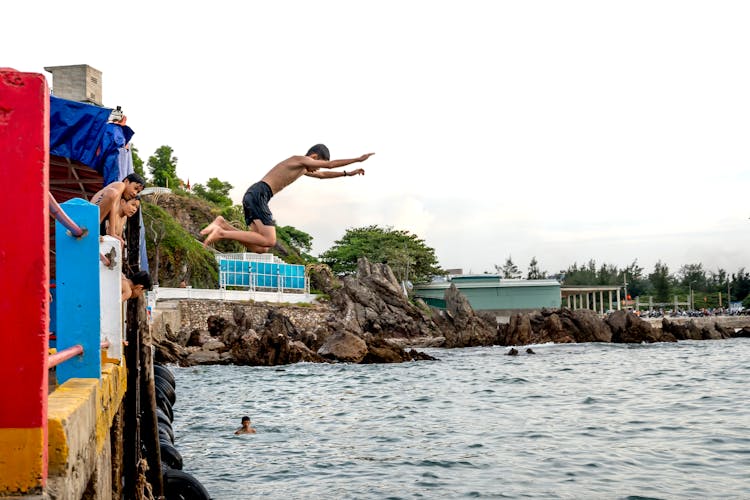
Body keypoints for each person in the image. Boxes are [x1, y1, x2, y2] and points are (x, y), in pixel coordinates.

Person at [201, 144, 374, 252]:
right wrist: (358, 159)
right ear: (314, 157)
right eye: (317, 164)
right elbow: (328, 165)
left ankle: (222, 224)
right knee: (270, 240)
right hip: (260, 193)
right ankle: (222, 233)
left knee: (260, 248)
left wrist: (347, 174)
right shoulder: (298, 160)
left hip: (255, 195)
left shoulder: (303, 169)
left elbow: (323, 174)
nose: (315, 169)